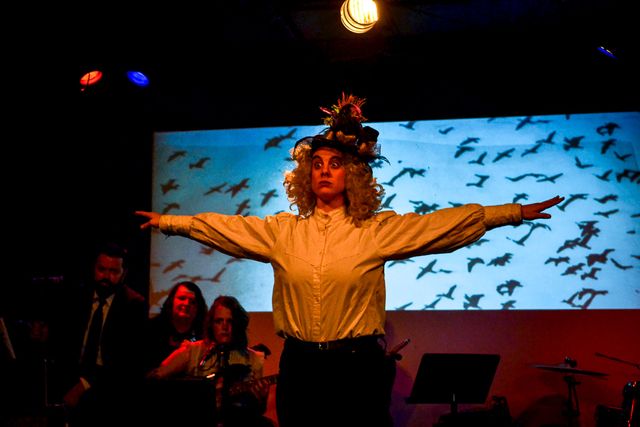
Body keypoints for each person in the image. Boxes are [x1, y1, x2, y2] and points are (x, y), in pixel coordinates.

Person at [136, 93, 564, 427]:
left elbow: (440, 227)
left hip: (356, 368)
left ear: (351, 174)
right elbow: (225, 228)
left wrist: (510, 214)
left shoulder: (373, 230)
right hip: (301, 367)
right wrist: (170, 221)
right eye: (317, 164)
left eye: (335, 163)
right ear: (307, 175)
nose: (324, 170)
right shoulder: (284, 232)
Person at [52, 241, 147, 427]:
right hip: (71, 379)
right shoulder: (77, 297)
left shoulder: (133, 305)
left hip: (110, 391)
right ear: (93, 269)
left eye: (114, 271)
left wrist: (84, 385)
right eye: (102, 269)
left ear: (123, 274)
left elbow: (124, 363)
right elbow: (64, 346)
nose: (106, 277)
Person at [147, 295, 273, 427]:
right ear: (211, 324)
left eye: (230, 321)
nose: (224, 327)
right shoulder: (193, 351)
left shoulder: (253, 359)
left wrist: (261, 397)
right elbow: (156, 377)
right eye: (219, 321)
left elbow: (259, 410)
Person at [143, 280, 208, 374]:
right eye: (182, 298)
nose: (186, 304)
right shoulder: (151, 329)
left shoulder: (204, 334)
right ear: (171, 301)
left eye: (192, 302)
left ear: (198, 308)